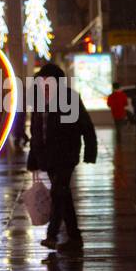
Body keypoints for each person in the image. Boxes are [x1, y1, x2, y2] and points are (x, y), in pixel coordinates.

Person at [27, 62, 97, 253]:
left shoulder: (70, 99)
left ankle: (52, 235)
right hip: (48, 157)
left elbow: (86, 126)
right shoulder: (40, 100)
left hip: (66, 155)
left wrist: (90, 152)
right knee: (63, 195)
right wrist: (33, 157)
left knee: (58, 193)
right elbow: (37, 131)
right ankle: (74, 237)